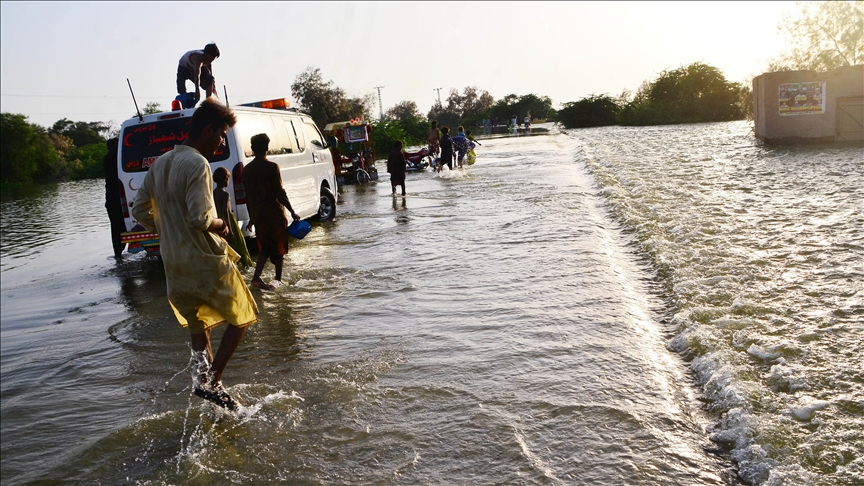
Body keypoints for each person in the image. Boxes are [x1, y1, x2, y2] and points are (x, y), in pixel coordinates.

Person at [131, 98, 257, 411]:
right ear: (207, 130)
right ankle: (211, 381)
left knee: (199, 325)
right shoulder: (198, 163)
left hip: (173, 262)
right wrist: (221, 224)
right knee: (242, 315)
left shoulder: (160, 163)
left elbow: (138, 209)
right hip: (203, 257)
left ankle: (211, 392)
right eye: (221, 134)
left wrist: (167, 229)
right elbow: (200, 219)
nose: (222, 141)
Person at [243, 133, 300, 291]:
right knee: (278, 246)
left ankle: (261, 278)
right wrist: (292, 211)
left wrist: (251, 218)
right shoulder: (272, 167)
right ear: (267, 148)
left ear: (253, 149)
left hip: (258, 214)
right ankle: (276, 279)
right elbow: (279, 193)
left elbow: (248, 197)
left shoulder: (247, 170)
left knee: (265, 246)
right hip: (273, 213)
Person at [213, 167, 253, 268]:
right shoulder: (225, 194)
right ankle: (244, 265)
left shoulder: (213, 193)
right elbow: (225, 211)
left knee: (225, 246)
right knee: (238, 244)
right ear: (225, 180)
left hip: (217, 221)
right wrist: (230, 229)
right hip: (227, 221)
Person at [102, 137, 126, 258]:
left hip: (112, 200)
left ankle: (118, 255)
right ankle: (118, 253)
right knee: (117, 229)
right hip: (115, 199)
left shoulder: (107, 158)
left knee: (116, 229)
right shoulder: (111, 157)